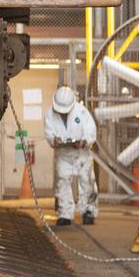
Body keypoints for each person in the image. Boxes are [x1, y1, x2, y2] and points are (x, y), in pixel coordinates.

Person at [44, 85, 98, 227]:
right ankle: (64, 214)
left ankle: (88, 212)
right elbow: (49, 132)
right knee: (62, 183)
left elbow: (91, 131)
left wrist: (84, 141)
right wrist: (53, 140)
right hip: (63, 155)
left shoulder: (82, 112)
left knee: (86, 182)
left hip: (81, 154)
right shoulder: (50, 114)